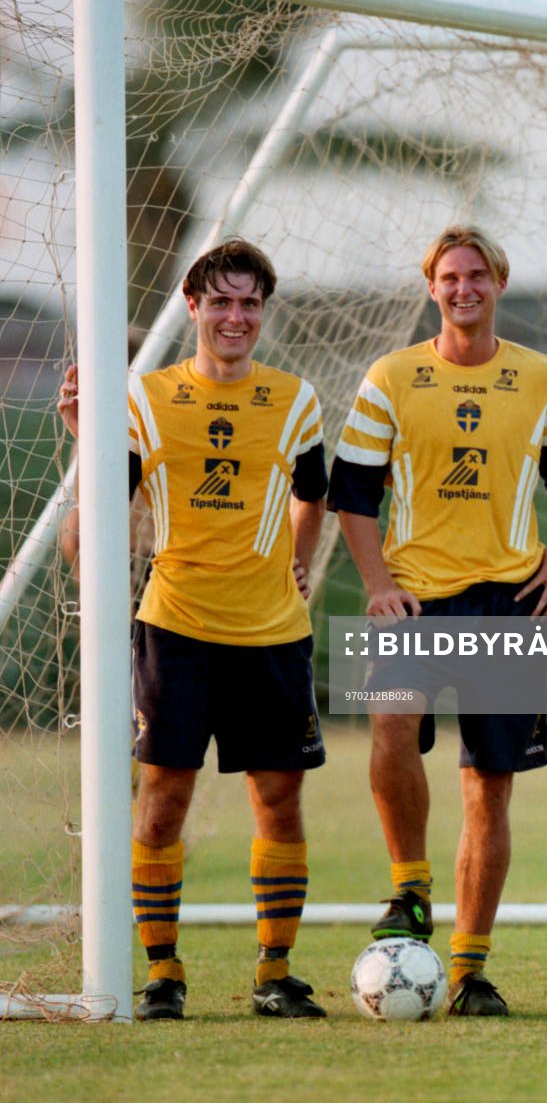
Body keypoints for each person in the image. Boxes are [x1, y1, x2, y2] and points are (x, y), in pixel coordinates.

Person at [57, 238, 329, 1021]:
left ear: (262, 311)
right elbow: (91, 531)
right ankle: (163, 973)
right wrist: (89, 446)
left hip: (273, 633)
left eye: (249, 303)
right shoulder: (145, 399)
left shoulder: (295, 400)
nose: (235, 316)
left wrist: (299, 561)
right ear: (192, 304)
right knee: (161, 802)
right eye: (221, 302)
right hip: (175, 627)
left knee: (278, 799)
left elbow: (310, 493)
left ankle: (275, 974)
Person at [327, 225, 547, 1016]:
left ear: (498, 283)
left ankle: (470, 972)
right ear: (429, 287)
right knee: (391, 728)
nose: (463, 287)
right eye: (448, 276)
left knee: (487, 792)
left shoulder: (540, 378)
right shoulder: (392, 376)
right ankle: (409, 888)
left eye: (476, 275)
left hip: (507, 603)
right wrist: (375, 585)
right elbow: (353, 493)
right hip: (415, 599)